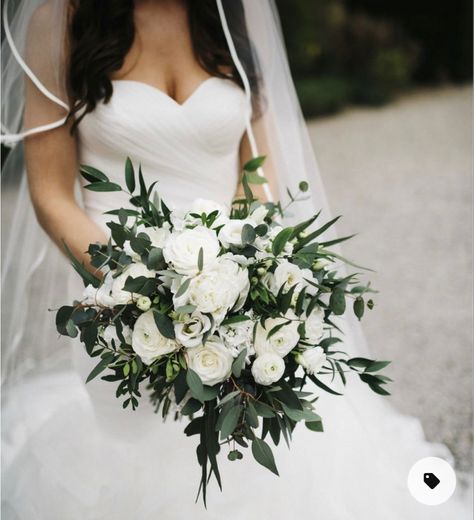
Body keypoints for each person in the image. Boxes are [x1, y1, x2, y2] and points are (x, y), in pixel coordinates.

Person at [1, 1, 471, 518]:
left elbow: (256, 172)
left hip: (235, 294)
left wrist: (250, 275)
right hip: (122, 308)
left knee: (267, 458)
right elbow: (51, 193)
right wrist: (136, 289)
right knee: (138, 453)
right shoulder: (64, 17)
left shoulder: (227, 11)